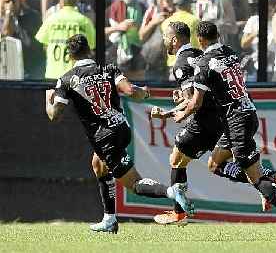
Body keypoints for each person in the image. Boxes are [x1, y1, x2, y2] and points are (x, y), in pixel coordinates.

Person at [170, 21, 276, 238]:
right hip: (246, 112)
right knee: (215, 164)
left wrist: (180, 113)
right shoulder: (230, 53)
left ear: (200, 40)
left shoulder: (204, 64)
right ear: (219, 36)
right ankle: (275, 180)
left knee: (254, 176)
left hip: (236, 119)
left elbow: (196, 103)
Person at [44, 34, 193, 233]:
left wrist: (48, 100)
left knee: (134, 183)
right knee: (98, 165)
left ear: (70, 56)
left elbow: (55, 115)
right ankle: (110, 219)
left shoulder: (67, 79)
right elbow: (131, 91)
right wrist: (145, 93)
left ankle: (171, 191)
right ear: (89, 50)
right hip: (122, 127)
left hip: (105, 137)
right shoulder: (108, 69)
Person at [35, 0, 96, 80]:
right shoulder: (85, 21)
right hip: (77, 77)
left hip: (53, 75)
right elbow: (91, 47)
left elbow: (43, 45)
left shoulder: (51, 19)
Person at [0, 0, 44, 79]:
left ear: (19, 1)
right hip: (9, 68)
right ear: (2, 3)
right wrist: (8, 14)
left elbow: (30, 42)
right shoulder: (1, 20)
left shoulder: (32, 16)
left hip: (32, 66)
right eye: (7, 1)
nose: (11, 4)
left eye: (13, 0)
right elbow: (5, 35)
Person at [106, 0, 145, 81]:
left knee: (137, 82)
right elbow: (101, 31)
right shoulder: (111, 9)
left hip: (137, 49)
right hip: (115, 50)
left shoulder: (142, 7)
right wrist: (119, 27)